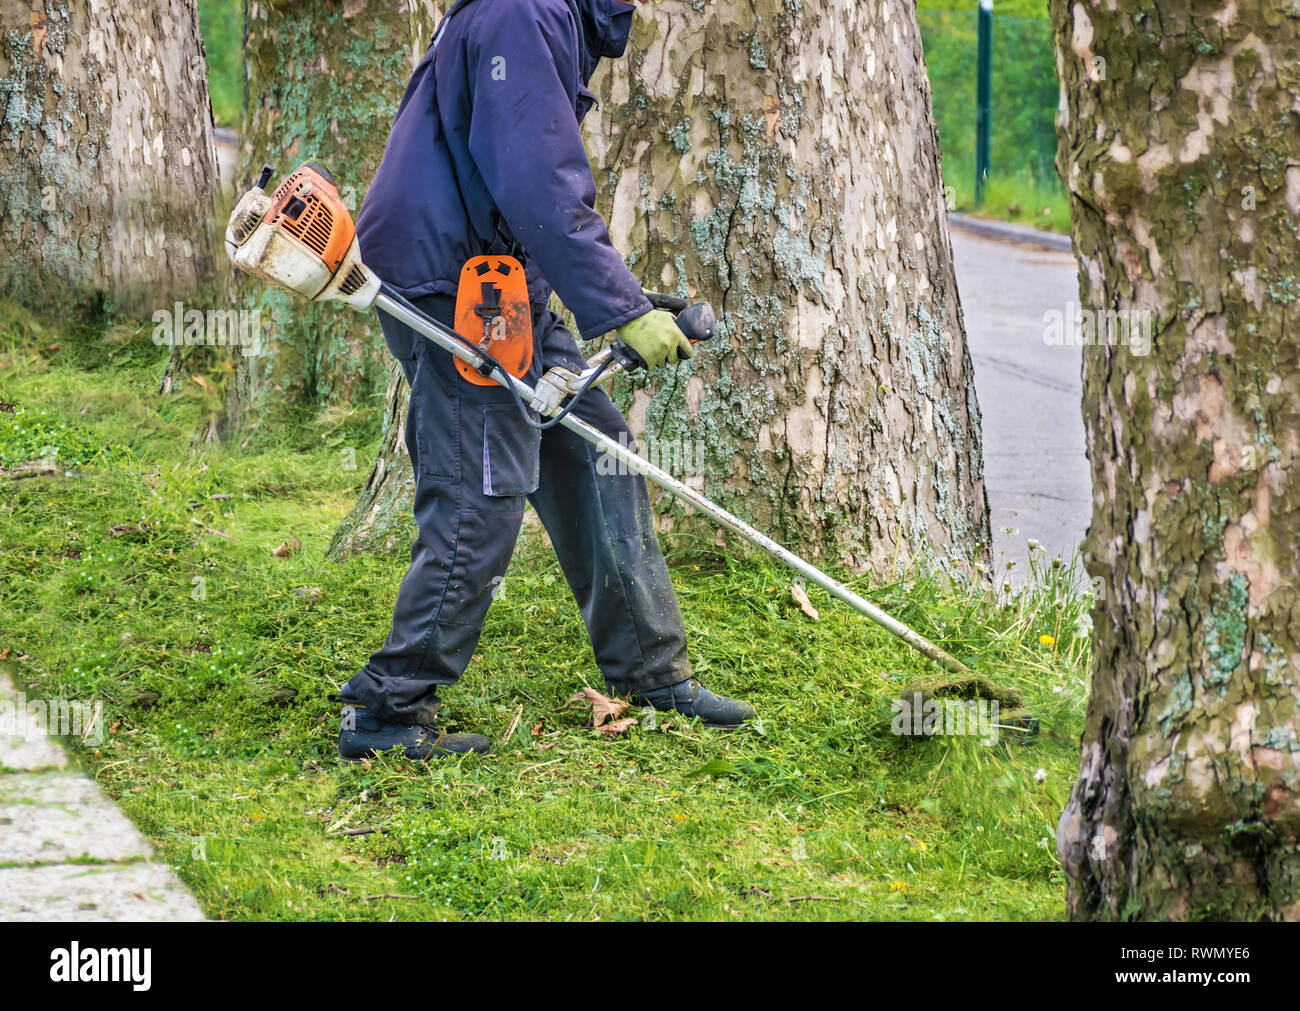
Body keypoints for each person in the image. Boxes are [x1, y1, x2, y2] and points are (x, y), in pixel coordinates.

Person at [334, 0, 754, 762]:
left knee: (593, 442)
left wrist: (617, 302)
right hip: (452, 282)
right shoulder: (521, 11)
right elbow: (537, 180)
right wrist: (622, 310)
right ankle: (385, 711)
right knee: (480, 490)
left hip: (495, 279)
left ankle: (649, 673)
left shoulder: (544, 14)